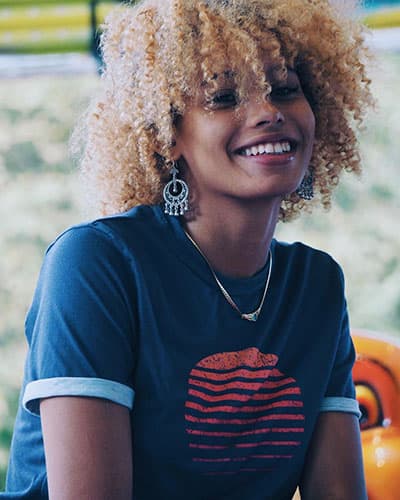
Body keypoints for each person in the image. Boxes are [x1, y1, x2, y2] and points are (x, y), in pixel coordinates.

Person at [3, 0, 373, 498]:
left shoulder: (317, 285)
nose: (268, 112)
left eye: (286, 90)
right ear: (168, 134)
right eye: (224, 97)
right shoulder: (97, 265)